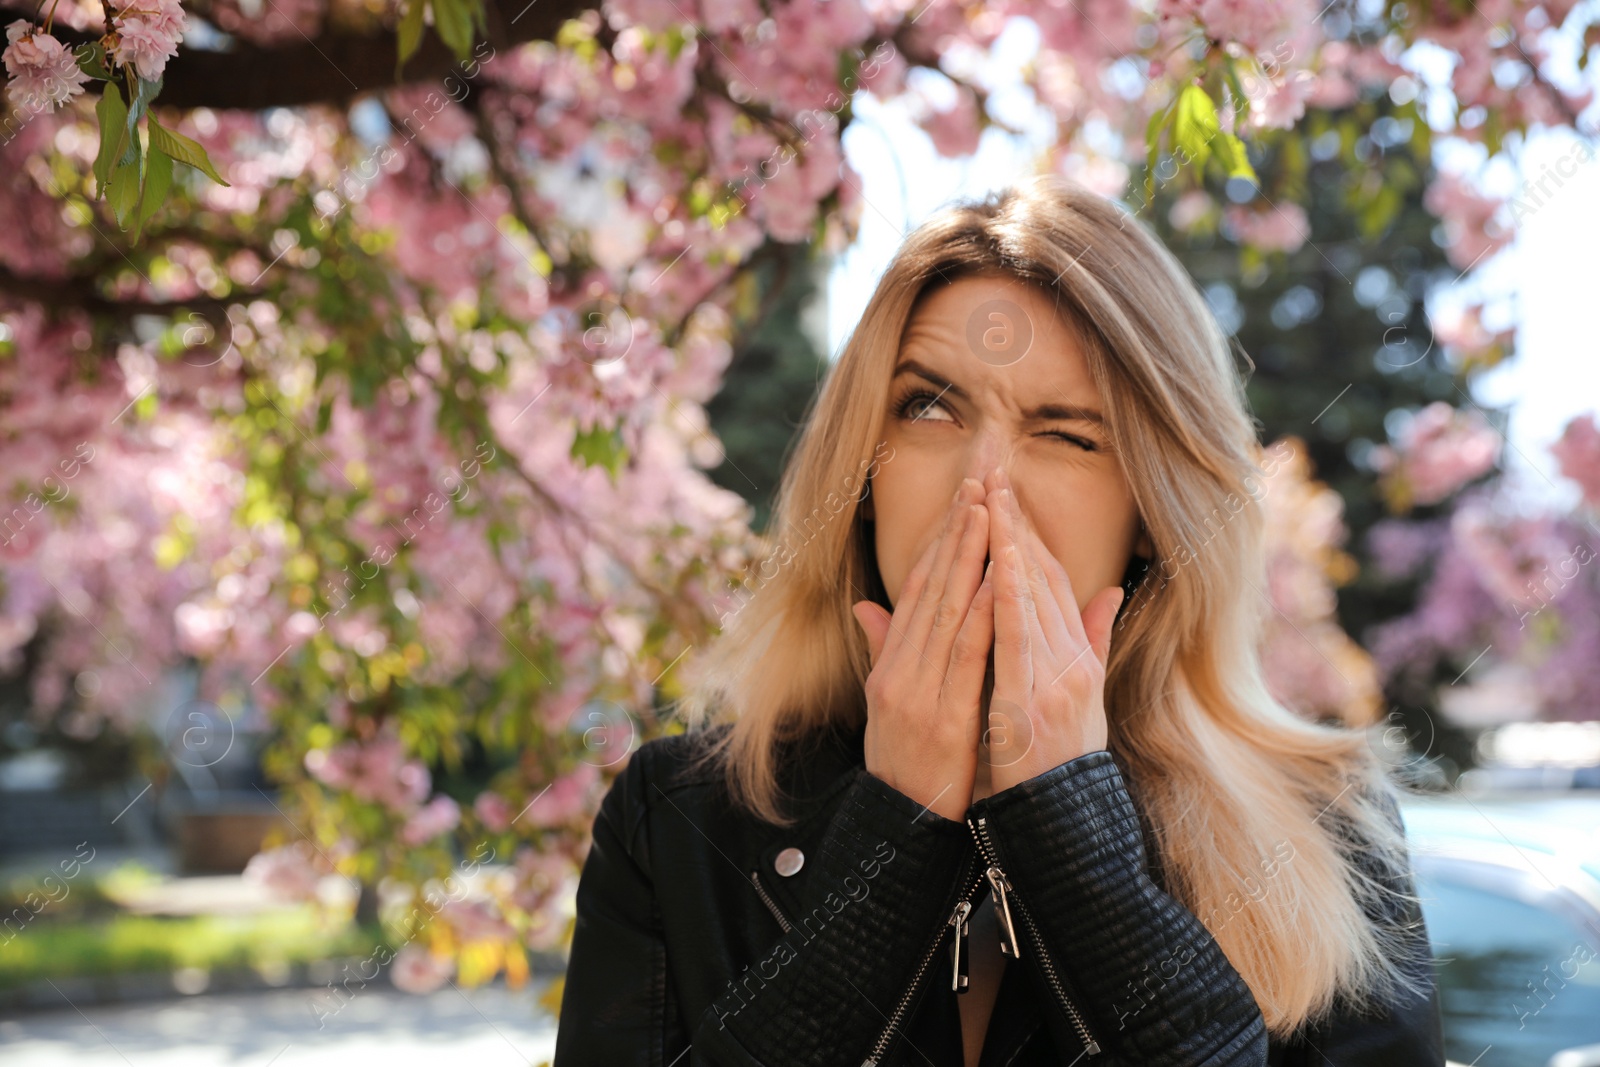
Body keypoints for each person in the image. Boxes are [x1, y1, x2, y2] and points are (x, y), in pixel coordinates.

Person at [551, 175, 1445, 1067]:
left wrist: (1070, 829)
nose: (985, 484)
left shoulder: (1328, 822)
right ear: (863, 475)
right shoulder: (676, 818)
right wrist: (893, 833)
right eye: (930, 407)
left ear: (1150, 514)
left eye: (1067, 433)